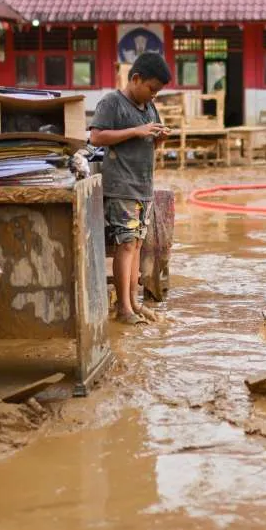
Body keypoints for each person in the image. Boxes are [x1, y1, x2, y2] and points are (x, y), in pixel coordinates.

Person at [89, 52, 172, 325]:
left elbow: (149, 144)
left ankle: (134, 303)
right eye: (151, 89)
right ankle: (123, 307)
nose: (153, 96)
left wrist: (158, 138)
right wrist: (136, 131)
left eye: (157, 92)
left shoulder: (149, 108)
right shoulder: (112, 102)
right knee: (126, 244)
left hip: (143, 185)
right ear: (135, 79)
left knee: (136, 245)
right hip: (121, 186)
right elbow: (96, 136)